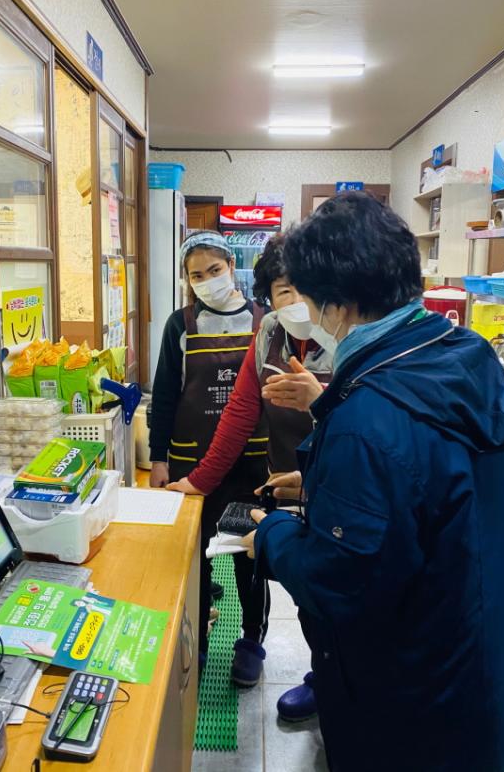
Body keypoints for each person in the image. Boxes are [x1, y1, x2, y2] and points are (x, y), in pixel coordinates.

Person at [245, 192, 504, 772]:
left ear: (339, 303)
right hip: (480, 683)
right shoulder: (463, 356)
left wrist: (270, 537)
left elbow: (339, 583)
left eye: (307, 298)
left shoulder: (367, 422)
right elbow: (428, 491)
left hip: (412, 717)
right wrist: (323, 484)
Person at [169, 234, 331, 692]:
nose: (296, 302)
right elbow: (240, 411)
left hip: (341, 480)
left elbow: (370, 422)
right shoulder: (270, 335)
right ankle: (324, 678)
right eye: (284, 291)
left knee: (332, 587)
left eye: (306, 288)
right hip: (287, 477)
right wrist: (200, 480)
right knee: (299, 579)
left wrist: (320, 401)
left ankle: (327, 681)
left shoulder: (345, 336)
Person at [149, 230, 270, 668]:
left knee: (248, 553)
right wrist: (158, 459)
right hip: (191, 463)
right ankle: (195, 639)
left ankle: (251, 641)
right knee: (193, 554)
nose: (206, 280)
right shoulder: (179, 324)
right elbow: (165, 395)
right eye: (196, 275)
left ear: (231, 266)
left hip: (250, 465)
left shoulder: (264, 322)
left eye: (214, 270)